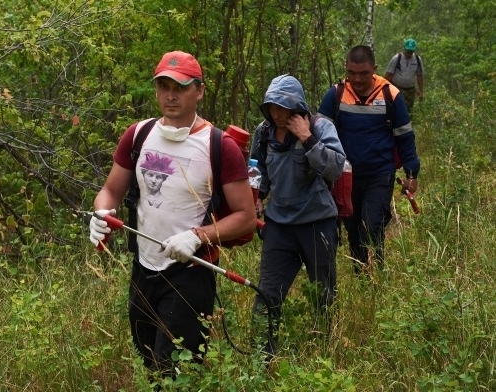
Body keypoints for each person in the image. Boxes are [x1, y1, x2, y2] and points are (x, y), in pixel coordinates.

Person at [89, 50, 256, 381]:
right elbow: (110, 190)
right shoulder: (138, 135)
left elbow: (245, 217)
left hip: (190, 273)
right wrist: (101, 213)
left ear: (200, 91)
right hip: (143, 269)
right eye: (163, 86)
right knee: (149, 363)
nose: (170, 95)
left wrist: (197, 236)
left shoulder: (219, 146)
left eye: (179, 87)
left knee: (174, 374)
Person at [249, 74, 346, 358]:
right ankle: (260, 359)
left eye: (283, 107)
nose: (277, 113)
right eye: (272, 107)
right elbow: (257, 171)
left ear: (297, 105)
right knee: (268, 295)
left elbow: (336, 168)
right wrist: (255, 199)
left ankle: (324, 352)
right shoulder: (264, 132)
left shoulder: (320, 126)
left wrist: (307, 138)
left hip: (317, 222)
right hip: (279, 225)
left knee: (323, 294)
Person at [318, 45, 420, 273]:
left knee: (371, 226)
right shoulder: (335, 95)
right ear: (346, 68)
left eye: (363, 73)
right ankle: (364, 280)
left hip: (380, 174)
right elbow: (319, 133)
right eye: (352, 73)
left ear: (374, 69)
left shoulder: (390, 95)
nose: (357, 79)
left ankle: (376, 274)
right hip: (344, 177)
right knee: (353, 231)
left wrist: (412, 173)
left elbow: (405, 136)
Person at [385, 38, 424, 114]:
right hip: (397, 88)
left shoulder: (417, 59)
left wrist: (421, 90)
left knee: (408, 111)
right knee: (397, 108)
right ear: (404, 48)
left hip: (410, 90)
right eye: (408, 51)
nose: (409, 53)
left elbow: (420, 75)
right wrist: (385, 90)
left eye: (411, 51)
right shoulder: (397, 58)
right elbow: (388, 75)